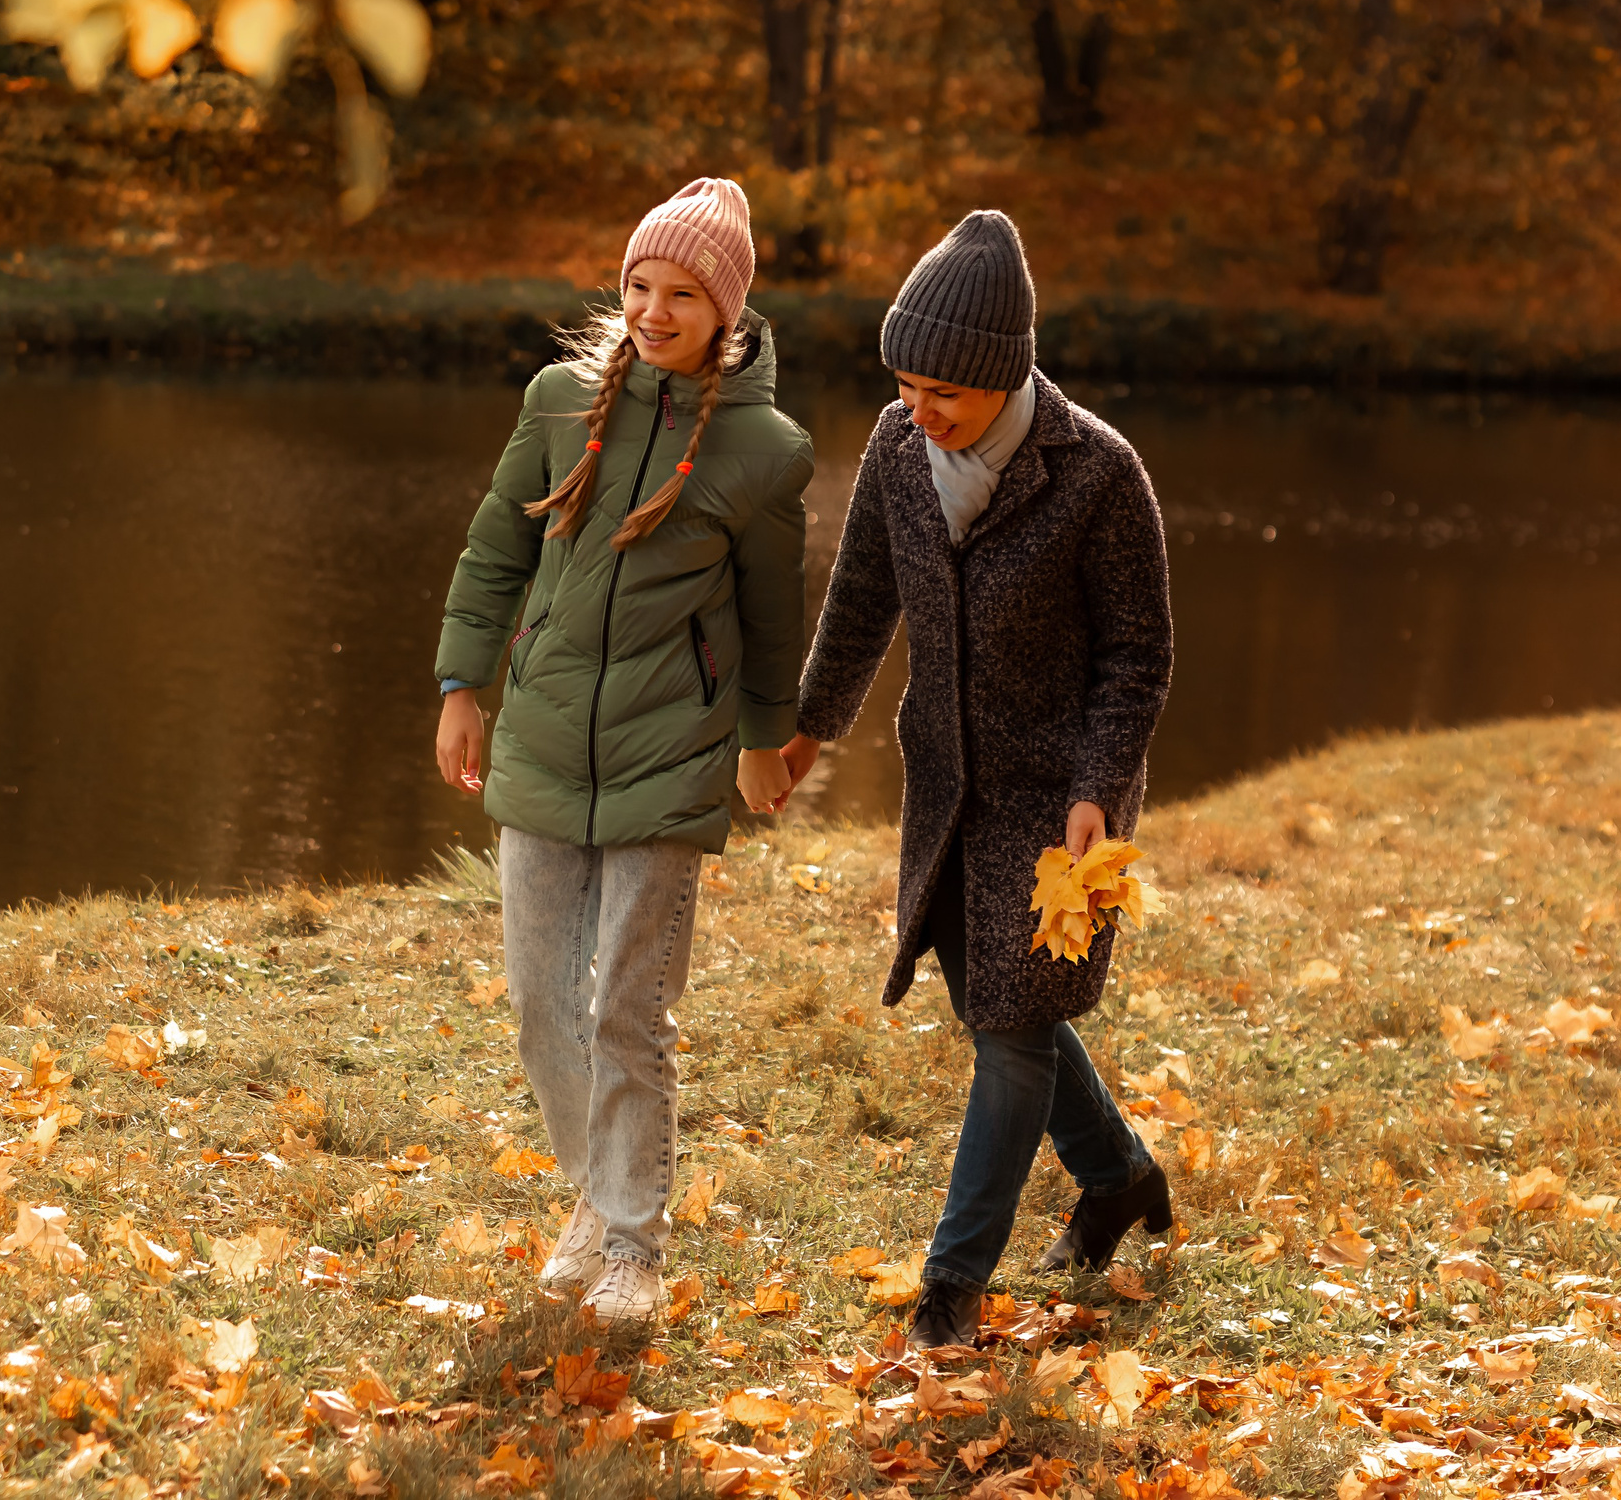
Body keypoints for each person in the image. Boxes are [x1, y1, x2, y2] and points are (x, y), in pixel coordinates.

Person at [778, 210, 1175, 1350]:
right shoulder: (901, 457)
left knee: (1008, 1029)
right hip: (950, 787)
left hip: (1065, 808)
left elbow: (1137, 656)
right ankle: (1118, 1179)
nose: (918, 406)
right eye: (903, 381)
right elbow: (860, 606)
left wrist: (1100, 784)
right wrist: (809, 733)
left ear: (1003, 376)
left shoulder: (1097, 473)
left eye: (942, 388)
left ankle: (950, 1288)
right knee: (999, 1006)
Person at [431, 178, 814, 1326]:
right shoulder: (557, 402)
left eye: (684, 292)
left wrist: (760, 743)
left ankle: (634, 1247)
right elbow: (497, 545)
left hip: (671, 754)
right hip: (545, 739)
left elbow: (770, 614)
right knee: (542, 1003)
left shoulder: (764, 449)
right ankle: (594, 1201)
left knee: (625, 1010)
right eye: (641, 284)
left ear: (726, 310)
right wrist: (463, 683)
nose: (655, 308)